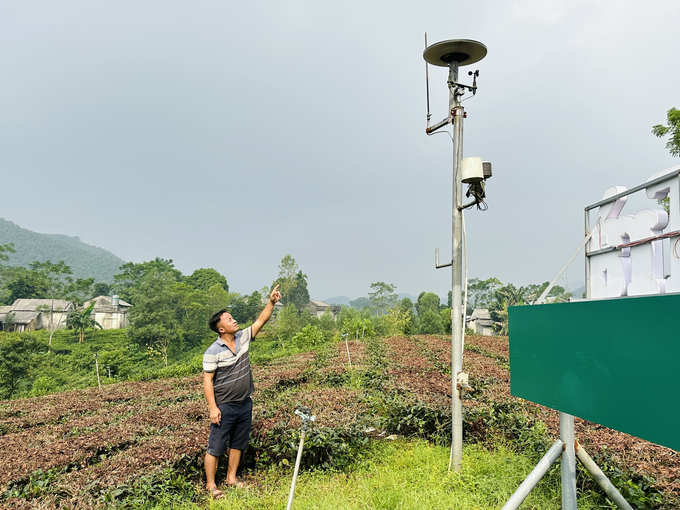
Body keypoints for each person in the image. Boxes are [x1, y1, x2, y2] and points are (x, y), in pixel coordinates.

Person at [203, 284, 282, 498]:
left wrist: (271, 302)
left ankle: (231, 479)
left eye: (232, 317)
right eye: (229, 319)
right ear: (221, 329)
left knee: (238, 443)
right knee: (216, 446)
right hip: (224, 406)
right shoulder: (212, 352)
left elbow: (261, 320)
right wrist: (213, 408)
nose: (234, 320)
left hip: (245, 403)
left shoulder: (243, 338)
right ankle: (211, 486)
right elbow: (208, 381)